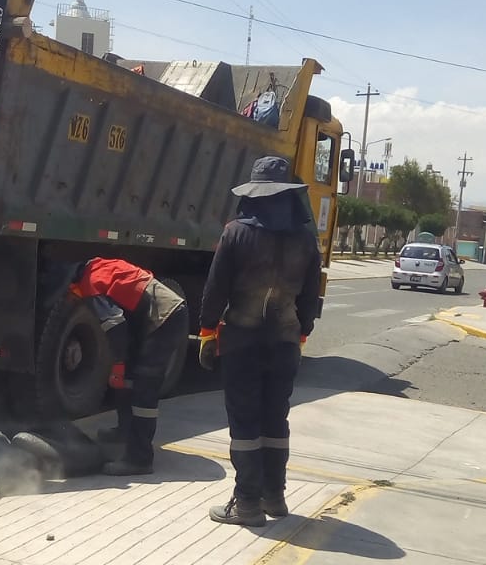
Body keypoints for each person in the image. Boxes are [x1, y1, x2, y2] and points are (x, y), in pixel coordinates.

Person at [199, 155, 321, 527]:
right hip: (284, 342)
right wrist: (302, 333)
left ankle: (248, 503)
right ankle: (275, 495)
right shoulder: (305, 239)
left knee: (245, 423)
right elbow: (312, 294)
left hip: (242, 341)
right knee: (275, 419)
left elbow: (216, 287)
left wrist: (206, 331)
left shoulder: (236, 232)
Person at [68, 257, 188, 476]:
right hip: (151, 315)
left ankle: (140, 459)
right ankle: (125, 432)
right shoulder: (101, 266)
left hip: (164, 318)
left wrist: (118, 365)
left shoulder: (91, 283)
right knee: (128, 379)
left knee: (144, 386)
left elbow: (116, 329)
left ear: (73, 283)